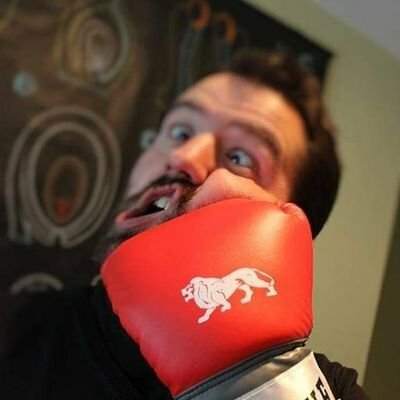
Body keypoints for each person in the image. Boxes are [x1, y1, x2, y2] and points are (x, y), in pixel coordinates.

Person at [0, 50, 369, 399]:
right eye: (179, 133)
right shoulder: (25, 326)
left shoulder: (330, 387)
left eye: (239, 157)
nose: (184, 157)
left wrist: (262, 381)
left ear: (283, 232)